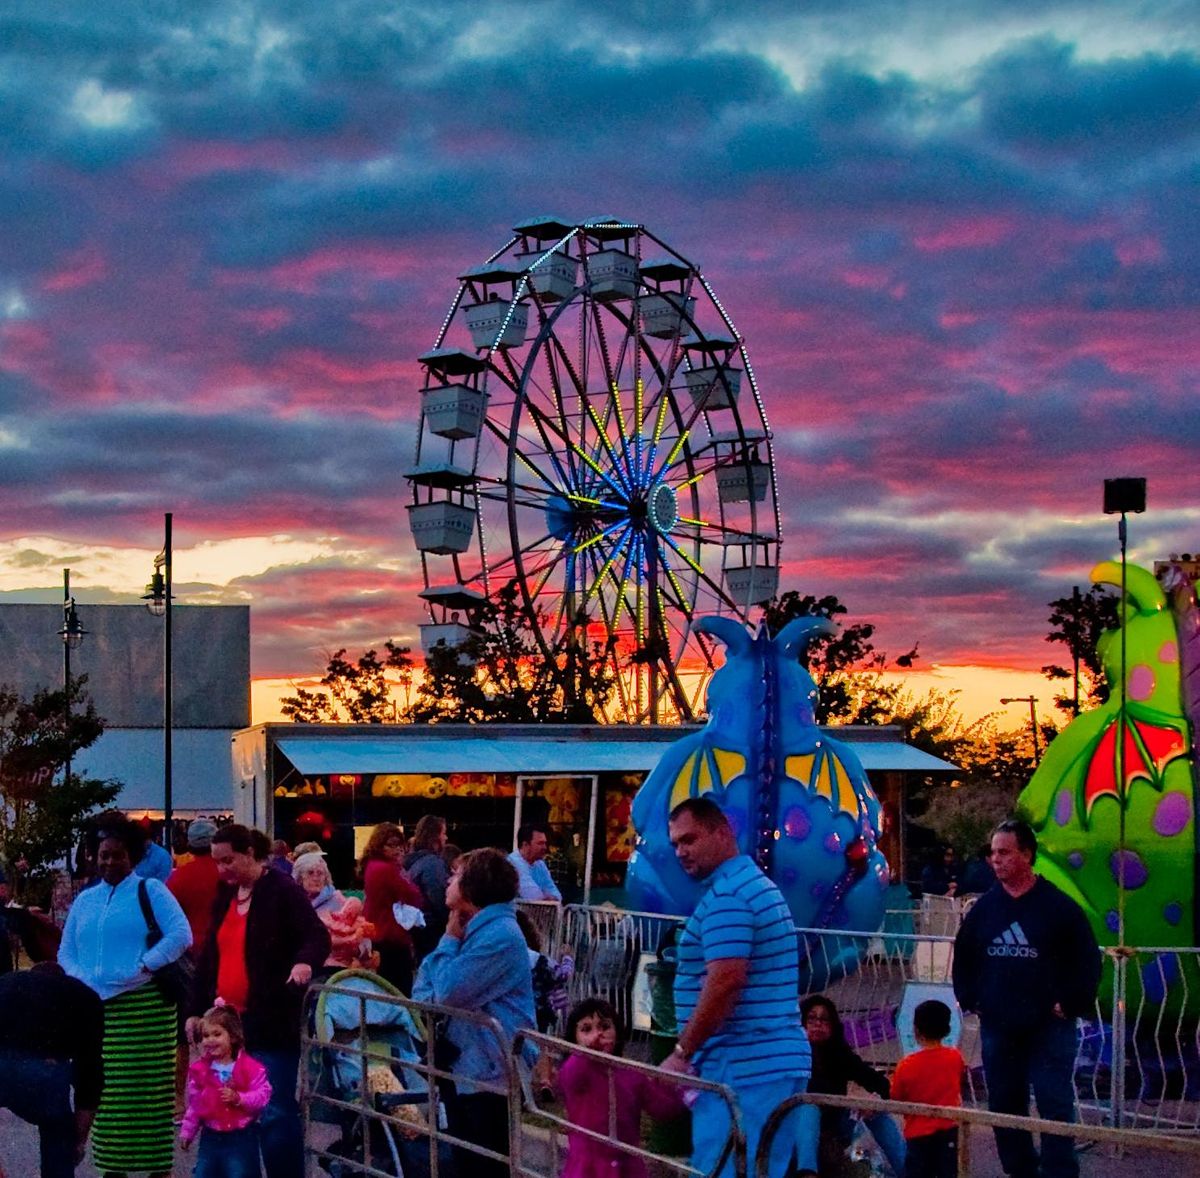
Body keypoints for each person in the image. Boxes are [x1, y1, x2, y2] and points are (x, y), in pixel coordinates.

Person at [660, 797, 812, 1178]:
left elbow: (726, 979)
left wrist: (683, 1051)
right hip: (767, 1066)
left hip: (743, 1069)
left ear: (722, 832)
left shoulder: (729, 896)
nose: (682, 851)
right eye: (676, 843)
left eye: (690, 839)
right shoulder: (753, 886)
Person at [952, 819, 1101, 1178]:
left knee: (1054, 1102)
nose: (996, 860)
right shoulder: (985, 909)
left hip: (1049, 1027)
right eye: (993, 853)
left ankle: (1059, 1171)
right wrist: (971, 998)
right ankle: (1019, 1171)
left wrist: (1070, 1003)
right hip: (999, 1026)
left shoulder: (1060, 908)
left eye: (1004, 852)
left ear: (1026, 855)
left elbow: (1087, 961)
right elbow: (965, 955)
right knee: (1004, 1103)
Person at [188, 823, 331, 1178]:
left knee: (274, 1110)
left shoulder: (281, 890)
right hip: (228, 1023)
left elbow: (315, 935)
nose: (222, 870)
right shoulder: (226, 894)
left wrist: (303, 962)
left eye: (228, 861)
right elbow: (210, 954)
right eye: (217, 863)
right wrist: (194, 1009)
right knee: (231, 1115)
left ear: (250, 853)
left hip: (269, 1020)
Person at [59, 812, 192, 1177]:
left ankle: (156, 1170)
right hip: (98, 1011)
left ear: (132, 856)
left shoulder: (150, 890)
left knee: (147, 1098)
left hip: (145, 1009)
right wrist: (81, 978)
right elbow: (65, 951)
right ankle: (112, 1170)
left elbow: (181, 934)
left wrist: (146, 964)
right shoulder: (85, 900)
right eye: (103, 855)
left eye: (117, 854)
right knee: (107, 1097)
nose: (109, 861)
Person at [413, 847, 535, 1178]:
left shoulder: (498, 935)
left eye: (456, 874)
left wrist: (450, 940)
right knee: (464, 1158)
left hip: (488, 1073)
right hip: (466, 1065)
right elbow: (426, 987)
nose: (448, 880)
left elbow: (448, 991)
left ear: (472, 886)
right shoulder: (477, 929)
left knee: (484, 1162)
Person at [555, 997, 684, 1178]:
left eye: (605, 1027)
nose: (597, 1034)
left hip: (628, 1165)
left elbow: (661, 1108)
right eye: (586, 1029)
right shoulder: (576, 1069)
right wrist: (586, 1051)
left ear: (617, 1031)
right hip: (587, 1166)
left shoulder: (632, 1073)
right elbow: (568, 1078)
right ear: (573, 1038)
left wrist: (678, 1088)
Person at [0, 961, 104, 1177]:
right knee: (57, 1129)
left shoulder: (7, 982)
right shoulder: (86, 997)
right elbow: (89, 1074)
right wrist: (77, 1140)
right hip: (44, 1072)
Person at [797, 994, 905, 1176]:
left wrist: (871, 1101)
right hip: (797, 1124)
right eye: (811, 1018)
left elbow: (878, 1083)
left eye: (824, 1020)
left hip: (835, 1124)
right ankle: (807, 1173)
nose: (818, 1024)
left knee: (876, 1111)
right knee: (809, 1108)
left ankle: (909, 1171)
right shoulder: (793, 1053)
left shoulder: (839, 1053)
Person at [180, 1002, 272, 1177]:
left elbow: (263, 1095)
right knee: (203, 1173)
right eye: (206, 1035)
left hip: (240, 1136)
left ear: (234, 1037)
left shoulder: (250, 1068)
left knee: (240, 1173)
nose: (210, 1040)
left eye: (217, 1034)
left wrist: (240, 1098)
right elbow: (195, 1104)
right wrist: (188, 1131)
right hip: (211, 1135)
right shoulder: (200, 1070)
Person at [890, 1000, 965, 1178]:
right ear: (947, 1028)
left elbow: (896, 1096)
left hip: (918, 1133)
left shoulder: (907, 1065)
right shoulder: (954, 1057)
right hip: (949, 1128)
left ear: (916, 1029)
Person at [360, 822, 426, 992]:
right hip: (391, 936)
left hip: (377, 934)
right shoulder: (387, 869)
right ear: (379, 846)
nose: (397, 849)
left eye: (399, 845)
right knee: (399, 991)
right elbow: (414, 896)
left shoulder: (372, 865)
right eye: (391, 845)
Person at [168, 818, 222, 948]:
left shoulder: (179, 876)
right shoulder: (231, 873)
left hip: (193, 946)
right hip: (228, 944)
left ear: (190, 844)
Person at [404, 814, 451, 951]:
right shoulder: (432, 864)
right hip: (432, 934)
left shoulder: (414, 863)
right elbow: (441, 900)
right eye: (444, 833)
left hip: (418, 932)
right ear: (434, 837)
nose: (446, 838)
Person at [507, 823, 563, 901]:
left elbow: (556, 894)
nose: (545, 847)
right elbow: (533, 897)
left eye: (544, 843)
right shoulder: (513, 863)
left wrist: (552, 898)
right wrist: (548, 898)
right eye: (540, 843)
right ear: (525, 845)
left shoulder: (540, 864)